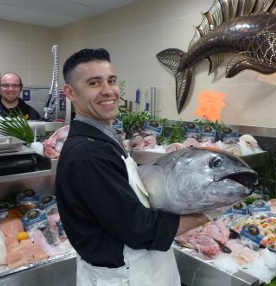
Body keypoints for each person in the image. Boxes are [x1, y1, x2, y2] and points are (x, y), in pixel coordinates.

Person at [56, 48, 208, 286]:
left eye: (111, 80)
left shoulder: (104, 137)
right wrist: (208, 213)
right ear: (70, 92)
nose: (108, 91)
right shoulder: (88, 153)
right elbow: (140, 229)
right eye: (94, 83)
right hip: (125, 276)